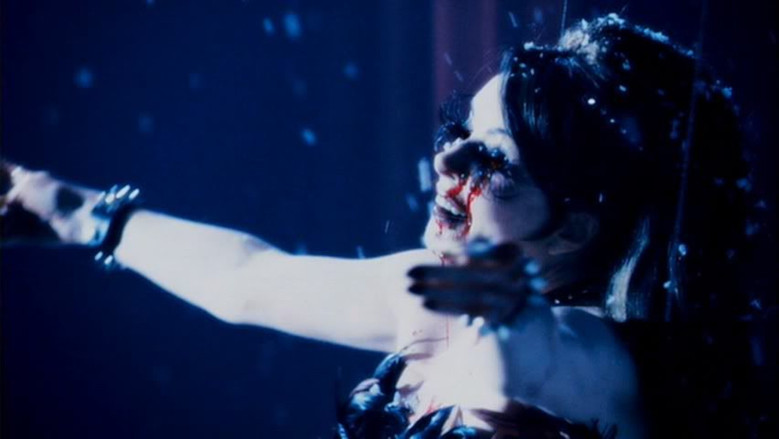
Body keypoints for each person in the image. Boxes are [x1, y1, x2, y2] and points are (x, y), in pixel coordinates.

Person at [1, 15, 751, 438]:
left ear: (572, 231)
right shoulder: (434, 297)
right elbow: (247, 280)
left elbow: (529, 357)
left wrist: (501, 312)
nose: (448, 159)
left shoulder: (605, 361)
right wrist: (73, 212)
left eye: (493, 158)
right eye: (459, 130)